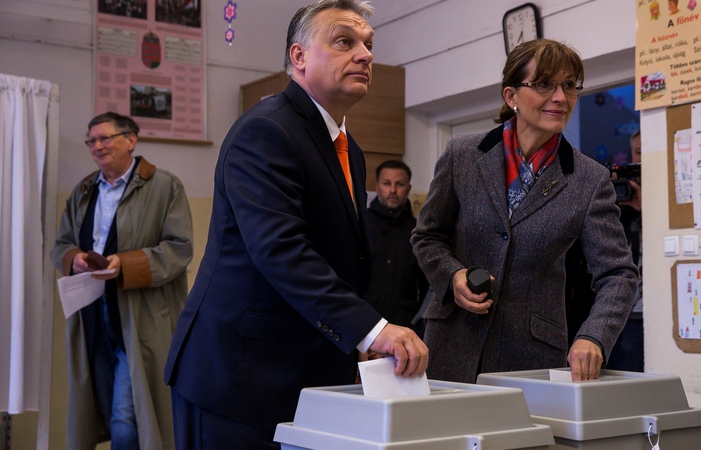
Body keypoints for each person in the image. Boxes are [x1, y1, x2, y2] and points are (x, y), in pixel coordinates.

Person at [164, 1, 428, 448]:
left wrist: (354, 337)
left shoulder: (348, 147)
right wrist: (372, 327)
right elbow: (281, 249)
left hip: (303, 373)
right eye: (345, 41)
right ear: (299, 57)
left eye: (368, 44)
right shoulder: (265, 130)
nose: (364, 54)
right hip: (240, 378)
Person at [411, 39, 638, 384]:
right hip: (450, 347)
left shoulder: (589, 179)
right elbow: (427, 236)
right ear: (511, 96)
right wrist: (453, 276)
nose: (561, 97)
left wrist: (594, 335)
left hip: (531, 357)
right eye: (544, 84)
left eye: (569, 85)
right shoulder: (463, 155)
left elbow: (619, 274)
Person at [50, 112, 193, 450]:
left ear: (131, 140)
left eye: (105, 138)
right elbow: (61, 245)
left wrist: (124, 266)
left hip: (139, 318)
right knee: (100, 408)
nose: (97, 146)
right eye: (91, 140)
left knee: (127, 420)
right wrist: (76, 259)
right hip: (92, 316)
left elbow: (179, 248)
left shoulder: (165, 186)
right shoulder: (83, 191)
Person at [366, 160, 429, 337]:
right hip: (365, 322)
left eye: (399, 184)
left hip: (406, 325)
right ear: (377, 187)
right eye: (387, 184)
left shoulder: (420, 231)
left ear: (408, 189)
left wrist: (420, 324)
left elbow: (427, 288)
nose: (392, 190)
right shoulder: (360, 226)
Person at [606, 129, 644, 372]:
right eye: (638, 152)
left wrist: (646, 207)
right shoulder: (617, 206)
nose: (642, 158)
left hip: (647, 310)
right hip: (617, 310)